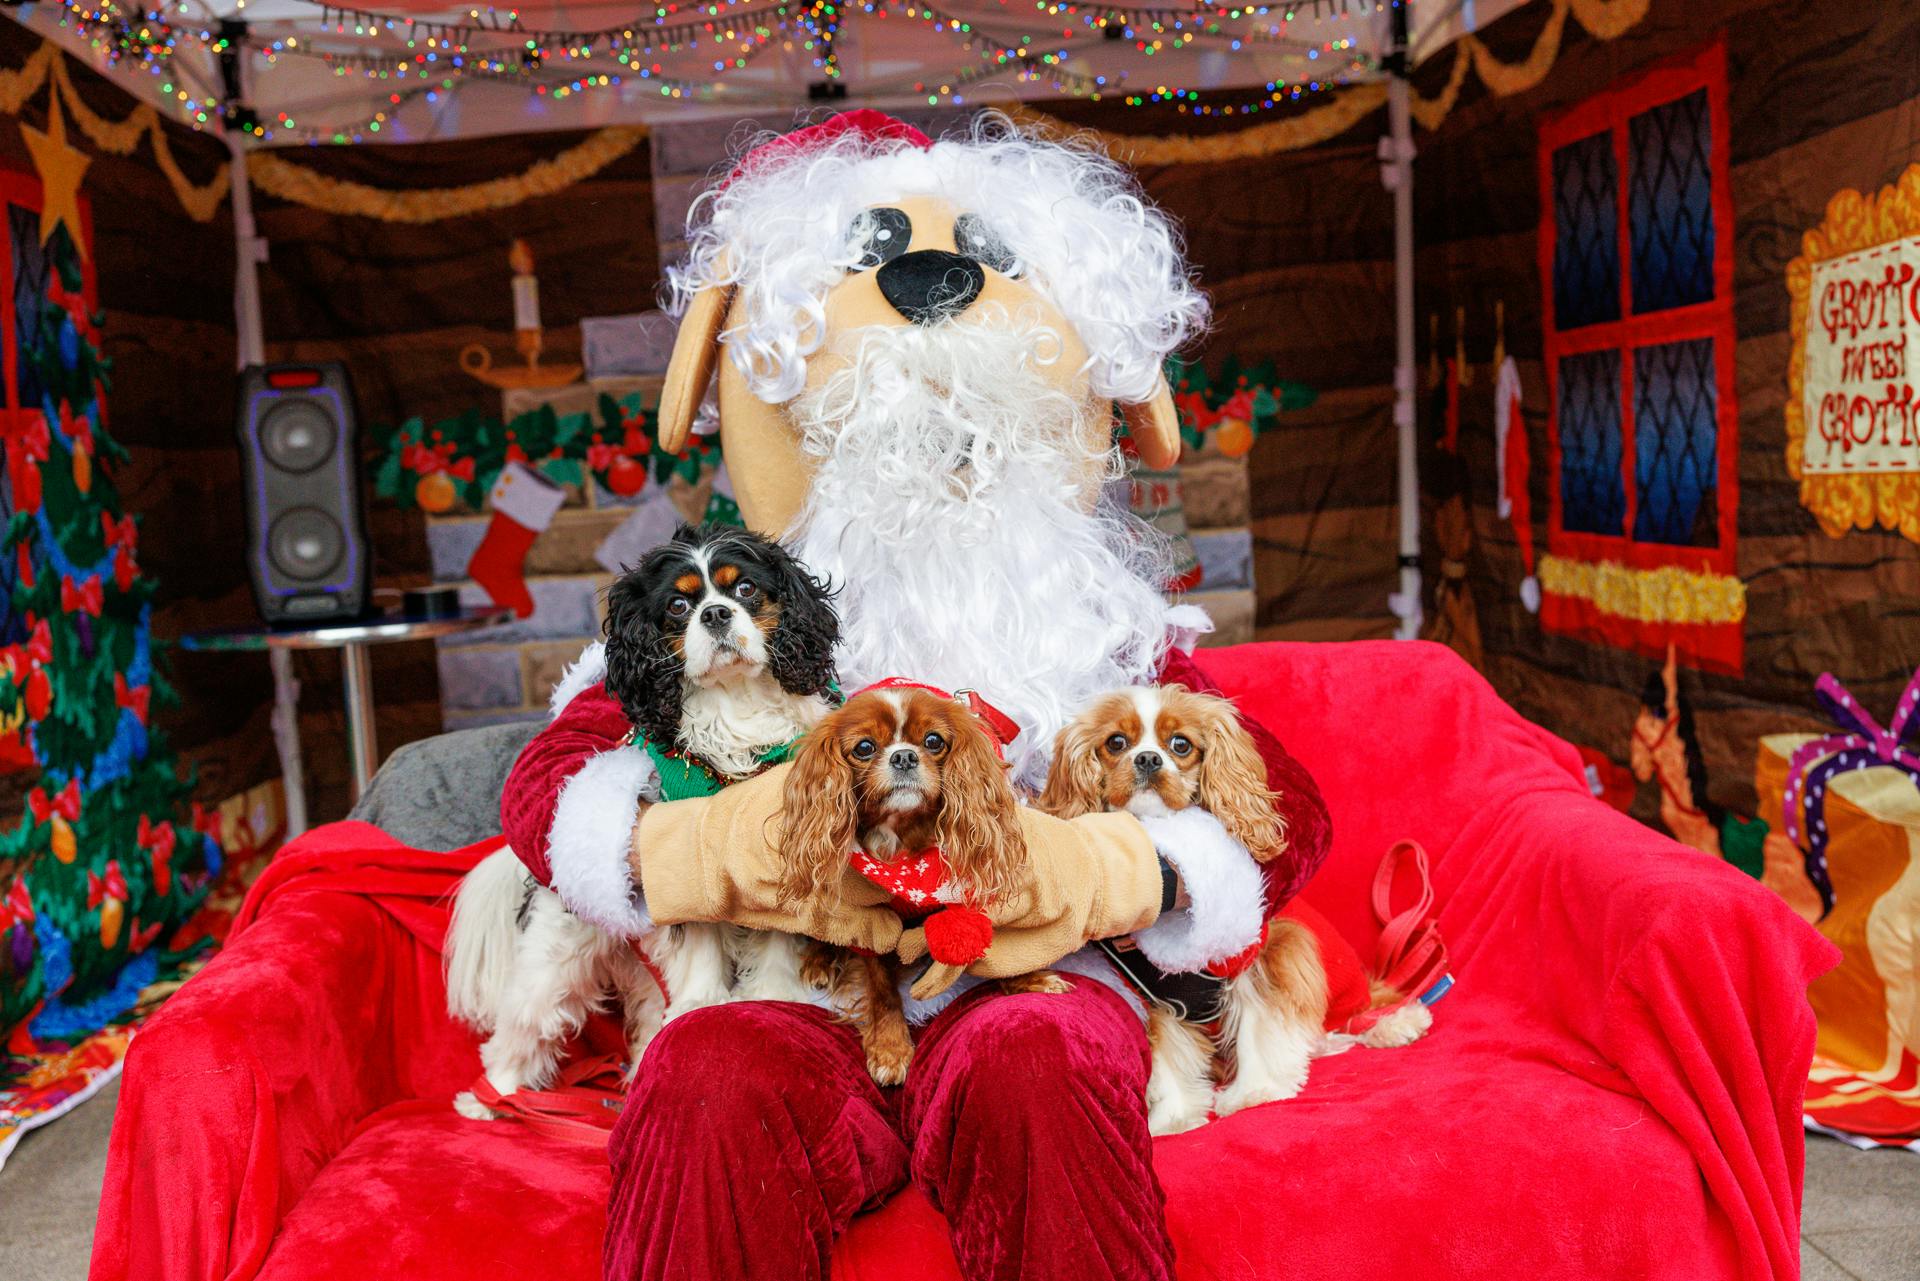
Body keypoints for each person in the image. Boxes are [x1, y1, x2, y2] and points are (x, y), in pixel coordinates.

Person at [499, 110, 1330, 1281]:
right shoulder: (741, 608)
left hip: (1023, 981)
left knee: (1044, 1059)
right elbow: (549, 788)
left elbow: (1283, 808)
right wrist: (717, 847)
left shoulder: (1103, 623)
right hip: (791, 986)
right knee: (707, 1076)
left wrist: (1104, 872)